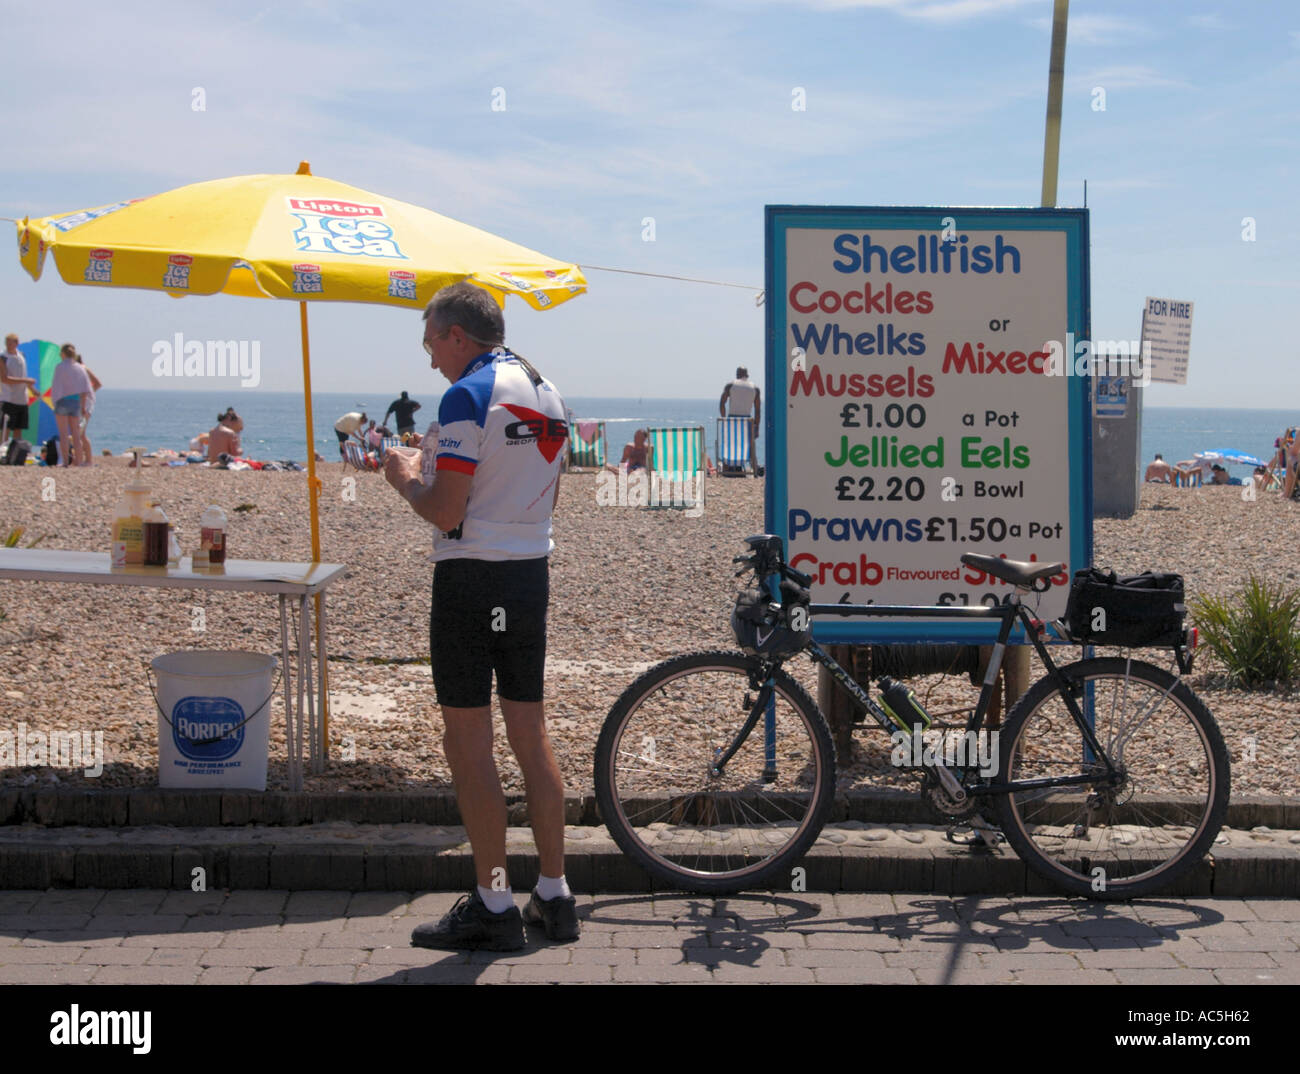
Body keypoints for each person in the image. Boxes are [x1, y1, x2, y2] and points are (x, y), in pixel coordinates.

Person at [382, 281, 575, 951]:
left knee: (468, 741)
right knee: (530, 730)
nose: (430, 354)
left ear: (459, 336)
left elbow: (445, 509)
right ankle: (554, 893)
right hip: (530, 573)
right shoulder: (544, 387)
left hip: (472, 576)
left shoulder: (468, 392)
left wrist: (404, 475)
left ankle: (494, 902)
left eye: (432, 338)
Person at [49, 344, 93, 468]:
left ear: (63, 354)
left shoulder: (60, 367)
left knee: (63, 434)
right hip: (75, 402)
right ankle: (79, 461)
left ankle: (65, 462)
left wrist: (55, 402)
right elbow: (85, 388)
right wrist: (83, 406)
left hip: (62, 401)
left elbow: (56, 386)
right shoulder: (79, 368)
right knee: (76, 434)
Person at [718, 366, 761, 474]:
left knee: (729, 444)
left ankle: (727, 468)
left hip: (732, 420)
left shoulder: (730, 385)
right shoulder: (755, 388)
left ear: (737, 374)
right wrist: (757, 427)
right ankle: (754, 468)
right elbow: (758, 410)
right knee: (750, 445)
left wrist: (723, 419)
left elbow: (722, 403)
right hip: (748, 421)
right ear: (747, 375)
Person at [0, 333, 36, 449]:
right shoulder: (3, 357)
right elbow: (4, 379)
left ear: (17, 343)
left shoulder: (22, 355)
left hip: (22, 399)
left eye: (11, 342)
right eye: (7, 343)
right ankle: (2, 450)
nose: (9, 345)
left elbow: (24, 375)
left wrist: (32, 389)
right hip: (8, 398)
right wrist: (25, 380)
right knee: (6, 428)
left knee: (18, 427)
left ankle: (15, 452)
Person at [74, 353, 102, 467]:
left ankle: (87, 460)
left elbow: (97, 384)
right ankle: (83, 460)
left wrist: (89, 396)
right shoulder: (82, 369)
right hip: (85, 403)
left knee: (80, 433)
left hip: (84, 405)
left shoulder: (81, 369)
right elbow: (97, 384)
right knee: (80, 433)